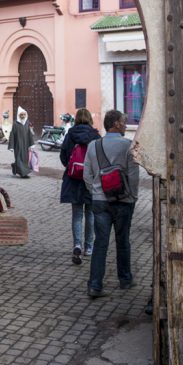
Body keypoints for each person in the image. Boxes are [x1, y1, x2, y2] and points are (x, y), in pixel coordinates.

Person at [82, 109, 140, 299]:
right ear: (115, 124)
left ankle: (95, 285)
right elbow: (133, 175)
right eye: (123, 121)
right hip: (123, 201)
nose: (125, 124)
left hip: (100, 201)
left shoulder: (93, 145)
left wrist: (96, 191)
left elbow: (86, 175)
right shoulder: (127, 146)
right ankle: (125, 279)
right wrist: (132, 197)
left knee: (100, 243)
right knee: (123, 241)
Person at [60, 108, 101, 266]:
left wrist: (70, 168)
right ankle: (89, 247)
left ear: (76, 119)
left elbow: (63, 155)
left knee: (77, 215)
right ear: (90, 118)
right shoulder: (95, 135)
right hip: (91, 180)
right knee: (90, 214)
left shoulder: (70, 135)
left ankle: (77, 245)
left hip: (73, 180)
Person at [7, 106, 34, 178]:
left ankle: (15, 167)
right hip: (17, 145)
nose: (23, 116)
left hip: (26, 145)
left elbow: (29, 134)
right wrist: (11, 146)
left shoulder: (27, 123)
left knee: (25, 159)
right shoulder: (15, 124)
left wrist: (31, 145)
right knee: (19, 158)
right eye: (21, 115)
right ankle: (23, 174)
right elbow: (12, 135)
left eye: (24, 114)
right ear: (18, 115)